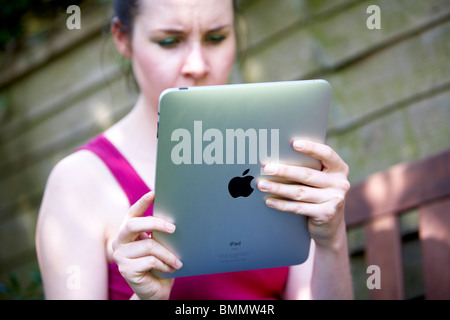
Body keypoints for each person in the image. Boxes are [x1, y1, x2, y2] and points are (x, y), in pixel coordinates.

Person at [36, 0, 353, 300]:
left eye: (216, 37)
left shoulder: (279, 151)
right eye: (169, 41)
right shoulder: (78, 182)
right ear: (123, 39)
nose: (198, 65)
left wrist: (331, 241)